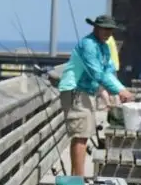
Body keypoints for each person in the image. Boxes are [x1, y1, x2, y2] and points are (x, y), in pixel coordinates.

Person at [57, 15, 133, 176]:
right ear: (96, 28)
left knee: (84, 134)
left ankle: (75, 178)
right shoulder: (88, 45)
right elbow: (97, 73)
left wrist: (121, 88)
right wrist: (119, 91)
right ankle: (78, 179)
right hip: (75, 91)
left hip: (88, 92)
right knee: (81, 136)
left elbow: (109, 71)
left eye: (111, 29)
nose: (108, 32)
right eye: (105, 28)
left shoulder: (104, 47)